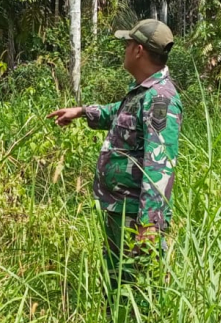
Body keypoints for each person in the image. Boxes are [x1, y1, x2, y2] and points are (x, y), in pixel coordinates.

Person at [47, 19, 183, 313]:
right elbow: (119, 115)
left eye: (126, 45)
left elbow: (159, 166)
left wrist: (149, 225)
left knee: (139, 292)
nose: (124, 50)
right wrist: (83, 112)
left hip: (136, 217)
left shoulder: (160, 99)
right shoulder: (142, 91)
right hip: (119, 210)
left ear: (138, 50)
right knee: (118, 287)